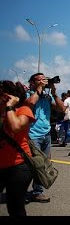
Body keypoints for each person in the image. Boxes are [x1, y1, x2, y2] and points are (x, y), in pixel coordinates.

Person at [24, 73, 66, 203]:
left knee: (42, 165)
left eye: (45, 79)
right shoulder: (28, 94)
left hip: (46, 134)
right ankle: (18, 189)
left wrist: (54, 93)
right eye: (40, 79)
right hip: (32, 135)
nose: (44, 81)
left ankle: (37, 191)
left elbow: (62, 108)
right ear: (32, 82)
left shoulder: (47, 97)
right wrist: (38, 90)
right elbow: (30, 103)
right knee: (32, 166)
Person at [0, 80, 35, 216]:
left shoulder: (23, 110)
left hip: (18, 166)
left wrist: (9, 107)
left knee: (15, 207)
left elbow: (15, 127)